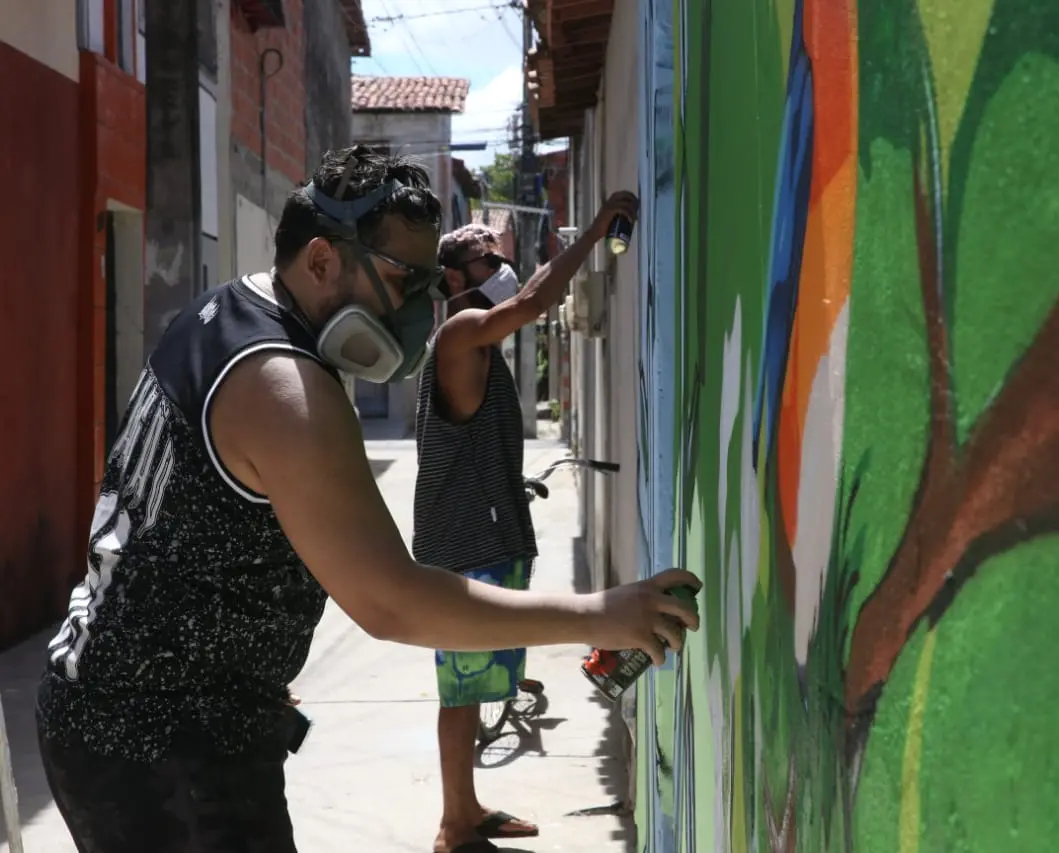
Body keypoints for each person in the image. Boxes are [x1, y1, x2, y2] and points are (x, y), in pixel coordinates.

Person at [34, 146, 698, 853]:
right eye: (400, 281)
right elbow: (390, 601)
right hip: (155, 740)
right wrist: (599, 614)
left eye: (428, 286)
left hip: (143, 708)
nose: (418, 309)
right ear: (321, 261)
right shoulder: (284, 386)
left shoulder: (226, 311)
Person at [412, 194, 637, 853]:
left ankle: (468, 807)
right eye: (486, 263)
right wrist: (598, 229)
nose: (500, 270)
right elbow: (535, 303)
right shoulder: (458, 334)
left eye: (500, 260)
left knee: (476, 684)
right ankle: (455, 825)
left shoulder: (479, 340)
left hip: (485, 536)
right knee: (461, 689)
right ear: (453, 281)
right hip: (463, 545)